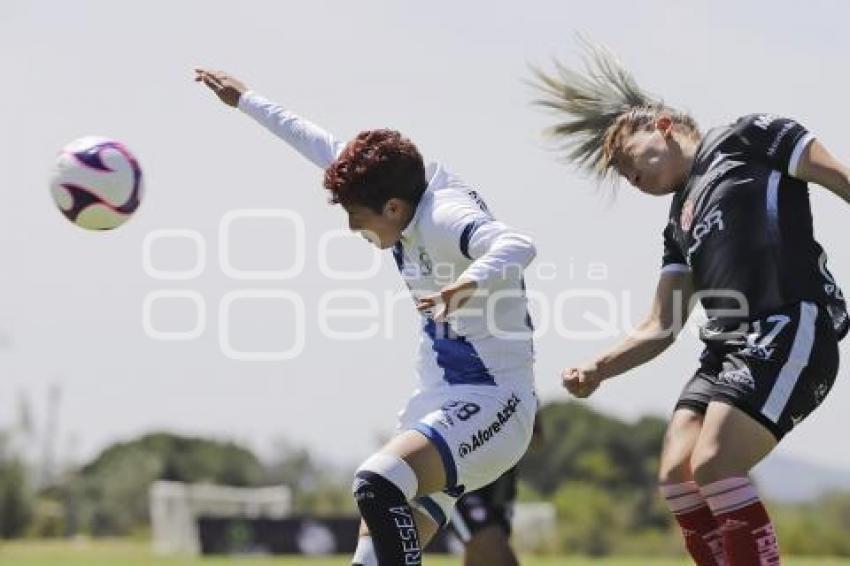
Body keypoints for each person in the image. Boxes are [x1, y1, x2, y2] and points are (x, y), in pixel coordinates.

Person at [195, 68, 538, 566]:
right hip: (439, 399)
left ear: (394, 207)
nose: (354, 228)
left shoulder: (444, 217)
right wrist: (245, 99)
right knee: (370, 561)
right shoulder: (394, 191)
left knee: (377, 482)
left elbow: (517, 243)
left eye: (358, 218)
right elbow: (313, 140)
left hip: (496, 403)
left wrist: (468, 281)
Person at [533, 41, 850, 565]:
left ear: (661, 126)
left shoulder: (752, 137)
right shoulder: (676, 223)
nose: (626, 178)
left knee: (715, 466)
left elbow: (839, 177)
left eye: (624, 160)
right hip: (724, 351)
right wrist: (599, 367)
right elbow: (662, 324)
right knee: (677, 476)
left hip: (789, 325)